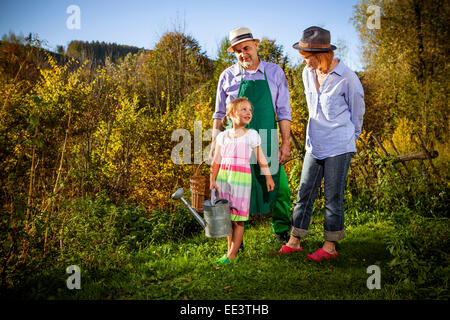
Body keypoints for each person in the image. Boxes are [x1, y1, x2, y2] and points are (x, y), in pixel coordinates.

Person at [276, 26, 365, 261]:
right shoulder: (307, 74)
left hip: (339, 145)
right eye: (303, 57)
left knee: (333, 196)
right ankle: (295, 240)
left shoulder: (347, 78)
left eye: (308, 58)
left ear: (322, 55)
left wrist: (349, 138)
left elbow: (357, 113)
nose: (304, 63)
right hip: (314, 144)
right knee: (304, 191)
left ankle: (329, 248)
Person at [209, 27, 292, 244]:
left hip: (266, 138)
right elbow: (219, 113)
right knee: (232, 190)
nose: (243, 53)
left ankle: (282, 230)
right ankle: (235, 241)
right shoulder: (227, 76)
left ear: (256, 45)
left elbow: (283, 112)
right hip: (234, 144)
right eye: (237, 51)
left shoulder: (274, 73)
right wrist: (214, 142)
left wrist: (285, 143)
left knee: (280, 188)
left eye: (246, 47)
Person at [210, 97, 275, 264]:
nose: (249, 113)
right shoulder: (223, 137)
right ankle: (229, 252)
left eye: (250, 110)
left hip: (241, 182)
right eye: (244, 109)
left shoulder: (251, 135)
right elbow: (216, 160)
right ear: (231, 114)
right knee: (227, 218)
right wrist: (212, 179)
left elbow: (261, 159)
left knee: (238, 219)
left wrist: (268, 176)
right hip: (224, 180)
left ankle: (232, 256)